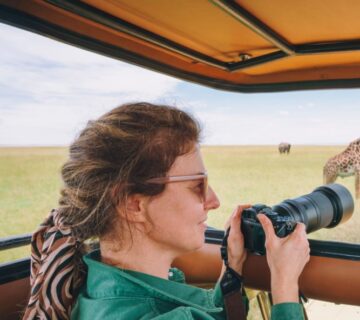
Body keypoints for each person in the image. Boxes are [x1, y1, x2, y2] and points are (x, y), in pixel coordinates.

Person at [23, 102, 310, 320]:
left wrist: (232, 267)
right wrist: (285, 285)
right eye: (197, 184)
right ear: (133, 205)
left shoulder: (94, 291)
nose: (213, 200)